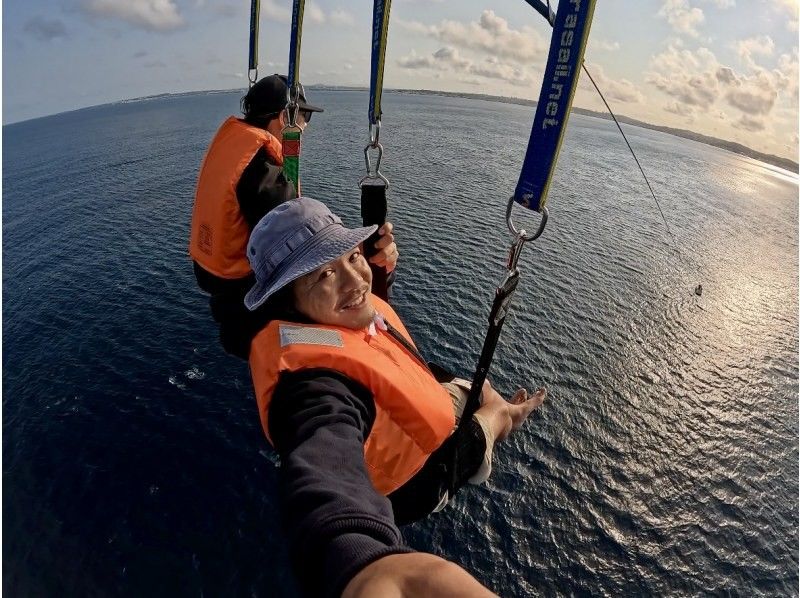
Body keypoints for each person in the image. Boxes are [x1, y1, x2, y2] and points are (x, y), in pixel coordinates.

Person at [245, 197, 546, 597]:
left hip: (413, 403)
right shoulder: (313, 387)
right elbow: (324, 461)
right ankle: (505, 420)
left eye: (352, 256)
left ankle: (489, 403)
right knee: (494, 412)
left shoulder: (334, 318)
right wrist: (362, 563)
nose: (355, 280)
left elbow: (367, 313)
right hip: (423, 476)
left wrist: (380, 269)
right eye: (323, 275)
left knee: (480, 388)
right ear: (289, 302)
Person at [188, 74, 397, 359]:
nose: (306, 125)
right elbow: (300, 252)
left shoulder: (236, 144)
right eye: (305, 115)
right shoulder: (263, 173)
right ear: (283, 118)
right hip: (243, 294)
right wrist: (368, 259)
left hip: (215, 277)